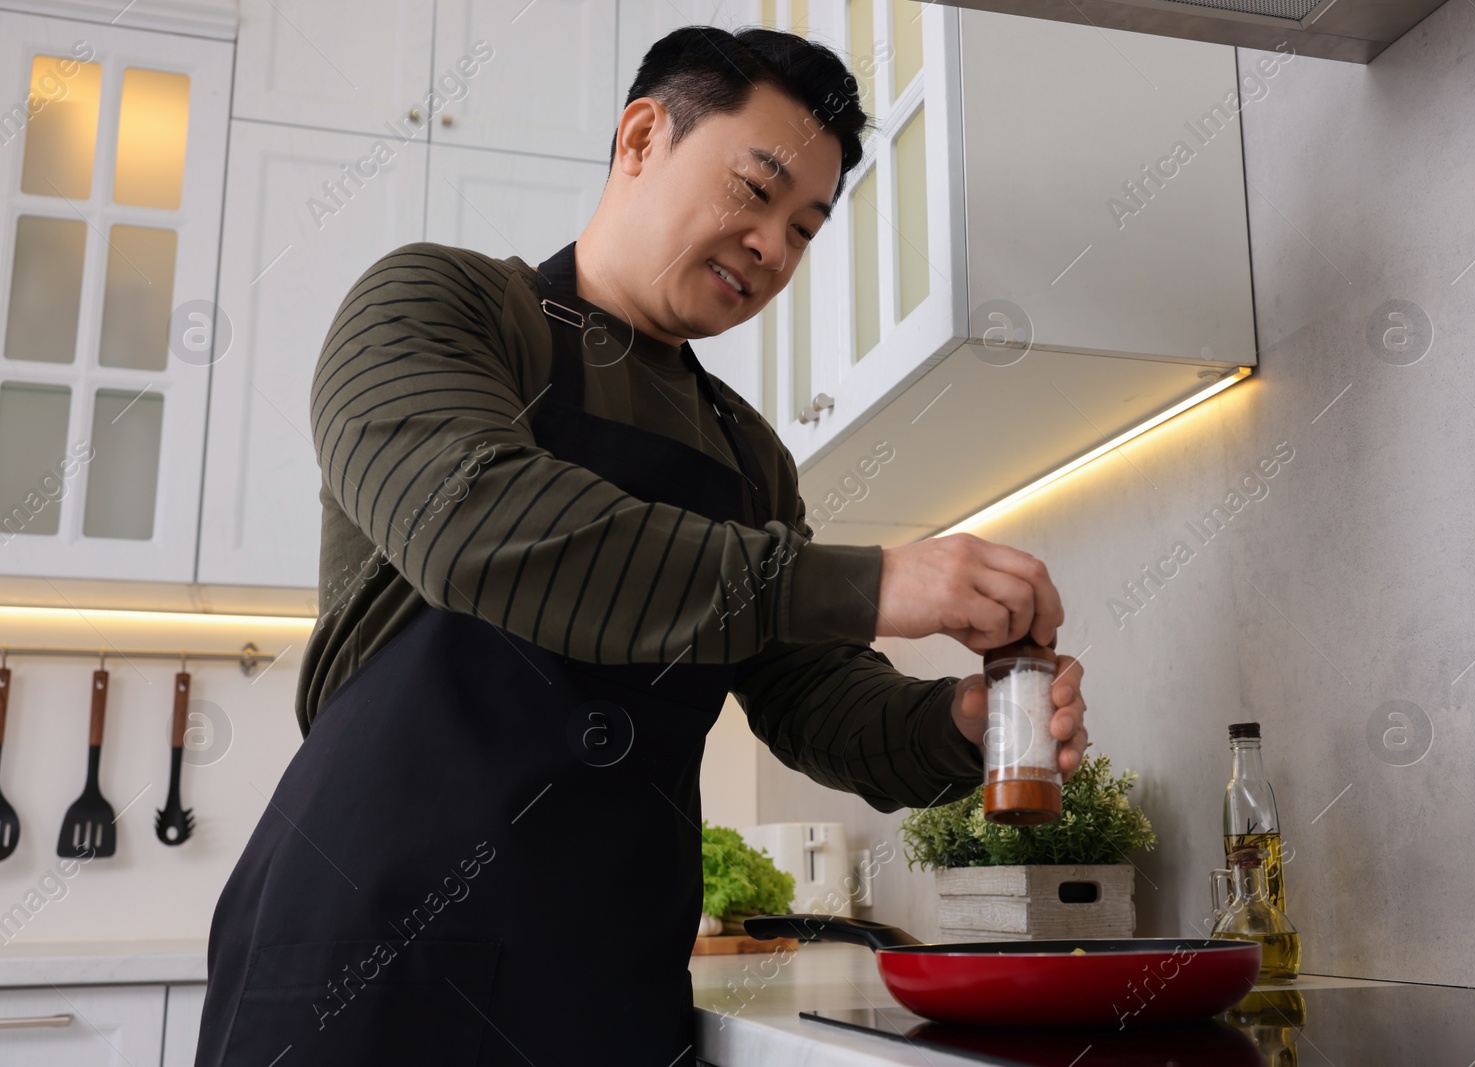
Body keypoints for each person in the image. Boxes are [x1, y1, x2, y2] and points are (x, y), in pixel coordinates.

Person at [194, 24, 1088, 1066]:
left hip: (601, 980)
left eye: (803, 227)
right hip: (370, 957)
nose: (771, 247)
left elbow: (808, 693)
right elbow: (481, 529)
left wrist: (956, 722)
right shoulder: (443, 304)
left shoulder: (746, 452)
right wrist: (877, 578)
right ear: (640, 136)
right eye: (753, 192)